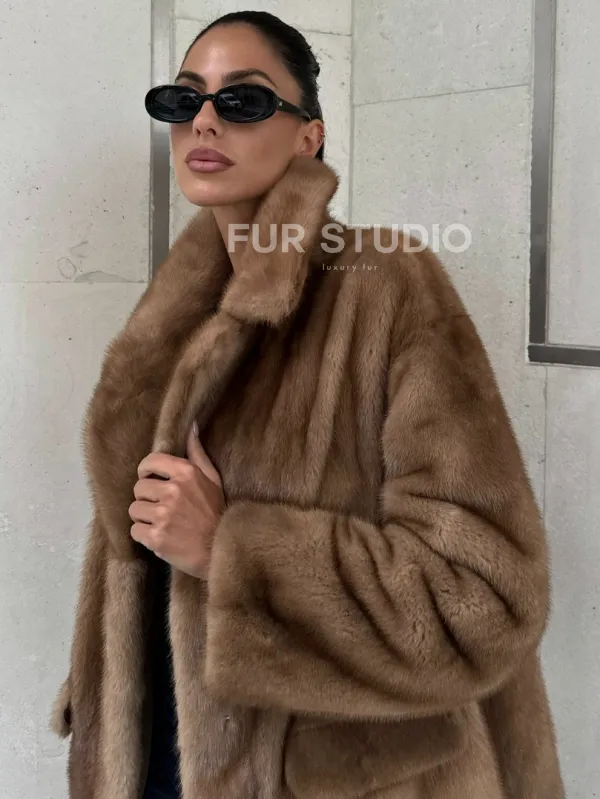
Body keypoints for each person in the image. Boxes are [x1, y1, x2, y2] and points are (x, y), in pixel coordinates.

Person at [50, 10, 565, 799]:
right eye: (183, 100)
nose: (205, 121)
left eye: (244, 100)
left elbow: (484, 596)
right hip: (152, 752)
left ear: (308, 136)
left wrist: (231, 552)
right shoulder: (176, 312)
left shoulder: (384, 286)